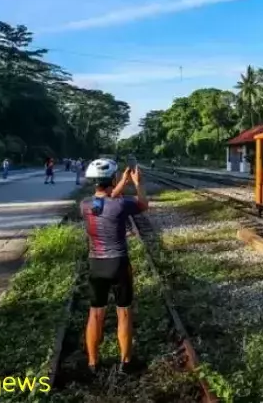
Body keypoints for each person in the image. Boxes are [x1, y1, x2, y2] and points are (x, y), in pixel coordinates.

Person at [80, 159, 148, 374]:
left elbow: (104, 201)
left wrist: (121, 182)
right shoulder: (121, 204)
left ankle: (93, 363)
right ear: (112, 179)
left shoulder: (85, 205)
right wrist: (136, 183)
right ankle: (126, 362)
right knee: (124, 313)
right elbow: (143, 204)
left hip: (96, 265)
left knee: (95, 313)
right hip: (118, 264)